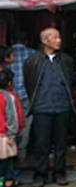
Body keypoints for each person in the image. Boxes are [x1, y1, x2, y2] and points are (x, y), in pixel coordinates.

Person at [23, 28, 75, 187]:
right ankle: (40, 174)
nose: (59, 40)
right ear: (45, 41)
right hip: (42, 107)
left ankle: (60, 173)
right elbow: (29, 84)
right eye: (55, 37)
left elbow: (70, 80)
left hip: (62, 106)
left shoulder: (66, 60)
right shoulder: (32, 61)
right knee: (41, 144)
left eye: (59, 37)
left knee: (61, 143)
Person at [10, 33, 36, 162]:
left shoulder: (7, 54)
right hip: (27, 94)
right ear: (26, 40)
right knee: (26, 124)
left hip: (10, 95)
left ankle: (10, 153)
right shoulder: (33, 54)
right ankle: (22, 153)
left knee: (11, 123)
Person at [0, 70, 25, 187]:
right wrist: (12, 134)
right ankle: (7, 182)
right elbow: (13, 117)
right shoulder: (9, 97)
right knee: (7, 160)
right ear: (10, 83)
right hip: (5, 135)